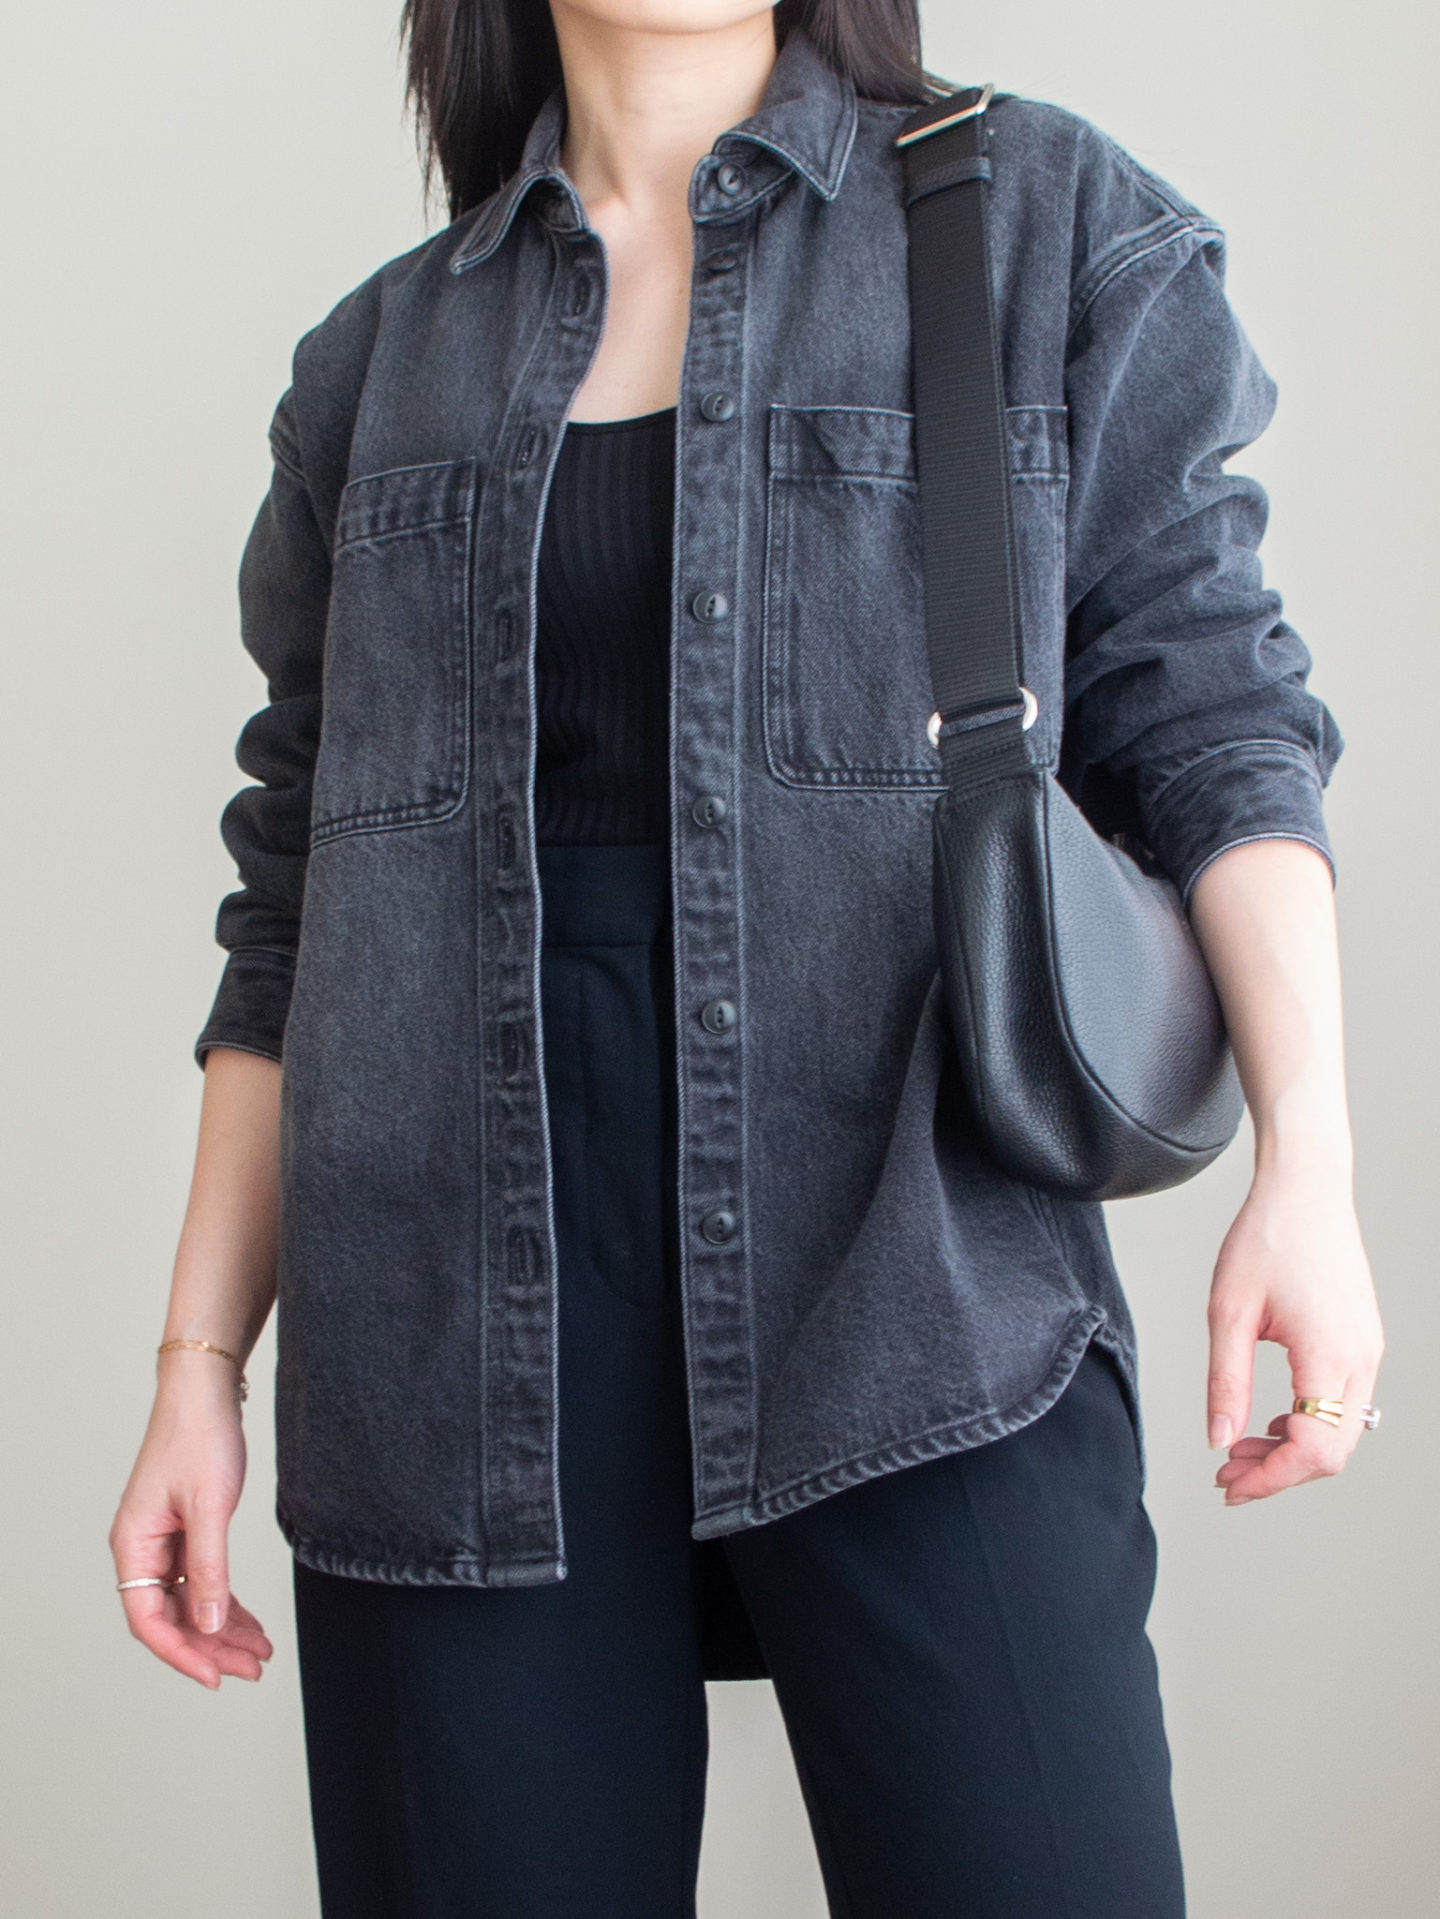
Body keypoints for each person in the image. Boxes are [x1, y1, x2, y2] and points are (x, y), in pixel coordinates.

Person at [110, 3, 1384, 1914]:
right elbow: (291, 900)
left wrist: (1314, 1166)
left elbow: (1213, 724)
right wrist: (198, 1363)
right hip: (449, 1325)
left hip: (919, 1254)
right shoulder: (382, 361)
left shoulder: (1030, 219)